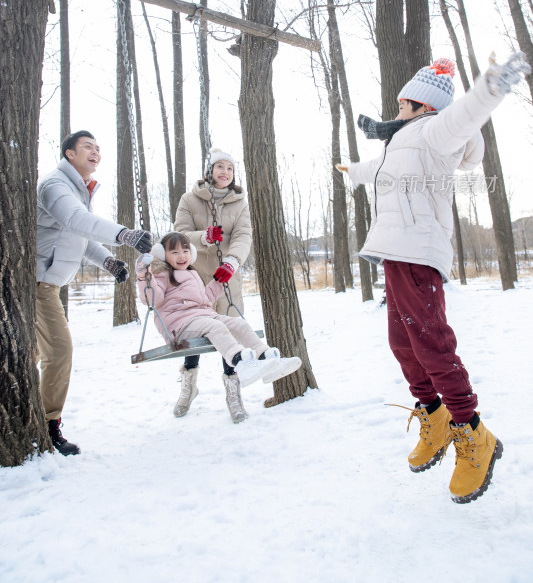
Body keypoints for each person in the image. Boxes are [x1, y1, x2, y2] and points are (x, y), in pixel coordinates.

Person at [338, 52, 530, 504]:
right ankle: (435, 413)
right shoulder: (400, 141)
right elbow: (376, 170)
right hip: (393, 253)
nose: (396, 108)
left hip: (419, 252)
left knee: (431, 343)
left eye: (403, 102)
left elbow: (466, 113)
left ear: (421, 105)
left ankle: (471, 431)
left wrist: (491, 84)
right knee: (402, 344)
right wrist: (352, 171)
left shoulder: (433, 131)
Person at [36, 130, 152, 455]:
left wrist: (109, 262)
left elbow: (80, 237)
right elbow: (76, 221)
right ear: (69, 153)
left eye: (98, 148)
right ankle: (47, 426)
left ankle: (29, 415)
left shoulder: (76, 190)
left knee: (29, 355)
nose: (96, 152)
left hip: (46, 284)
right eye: (88, 146)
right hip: (36, 284)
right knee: (58, 352)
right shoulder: (55, 185)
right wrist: (125, 235)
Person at [136, 233, 301, 411]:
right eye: (175, 252)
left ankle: (267, 358)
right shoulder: (159, 275)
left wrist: (218, 281)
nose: (182, 256)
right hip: (180, 326)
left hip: (204, 317)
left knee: (239, 324)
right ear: (162, 254)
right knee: (216, 326)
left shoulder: (192, 274)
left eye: (185, 250)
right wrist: (144, 272)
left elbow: (205, 299)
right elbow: (152, 300)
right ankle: (240, 363)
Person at [173, 148, 254, 423]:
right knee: (195, 334)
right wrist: (203, 237)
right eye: (219, 166)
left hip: (226, 278)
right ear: (209, 171)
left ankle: (233, 392)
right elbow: (179, 234)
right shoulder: (189, 199)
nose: (225, 172)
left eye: (229, 168)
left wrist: (232, 261)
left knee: (228, 332)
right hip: (194, 278)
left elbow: (243, 235)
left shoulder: (240, 202)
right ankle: (189, 385)